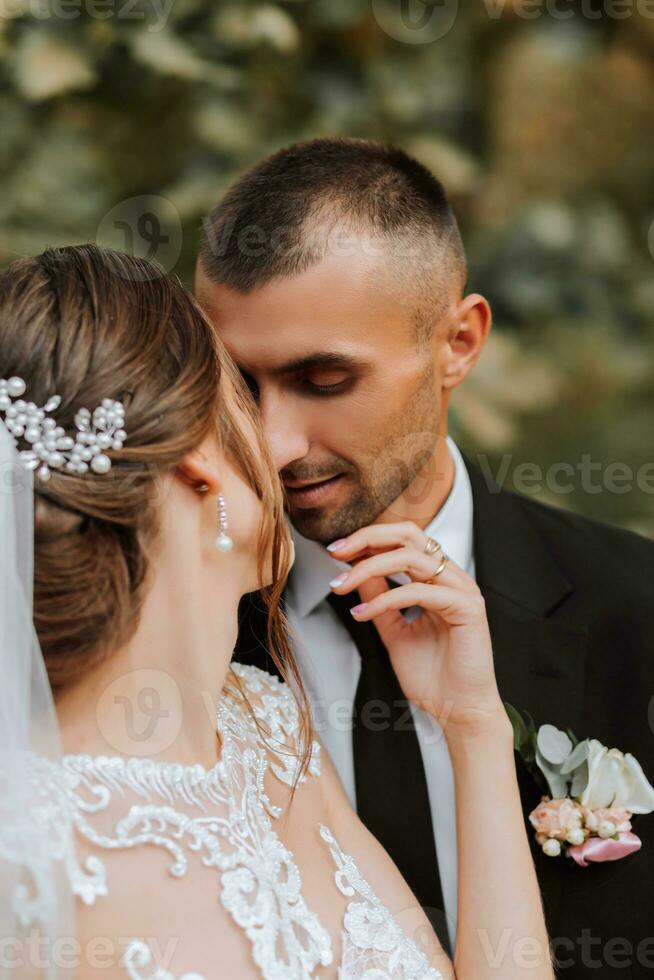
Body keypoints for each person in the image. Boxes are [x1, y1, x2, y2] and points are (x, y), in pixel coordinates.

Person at [0, 244, 554, 980]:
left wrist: (473, 725)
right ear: (202, 470)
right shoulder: (30, 853)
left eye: (319, 382)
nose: (279, 446)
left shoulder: (265, 725)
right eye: (242, 403)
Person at [195, 137, 654, 978]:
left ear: (459, 343)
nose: (273, 441)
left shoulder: (636, 609)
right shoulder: (183, 641)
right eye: (238, 384)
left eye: (325, 380)